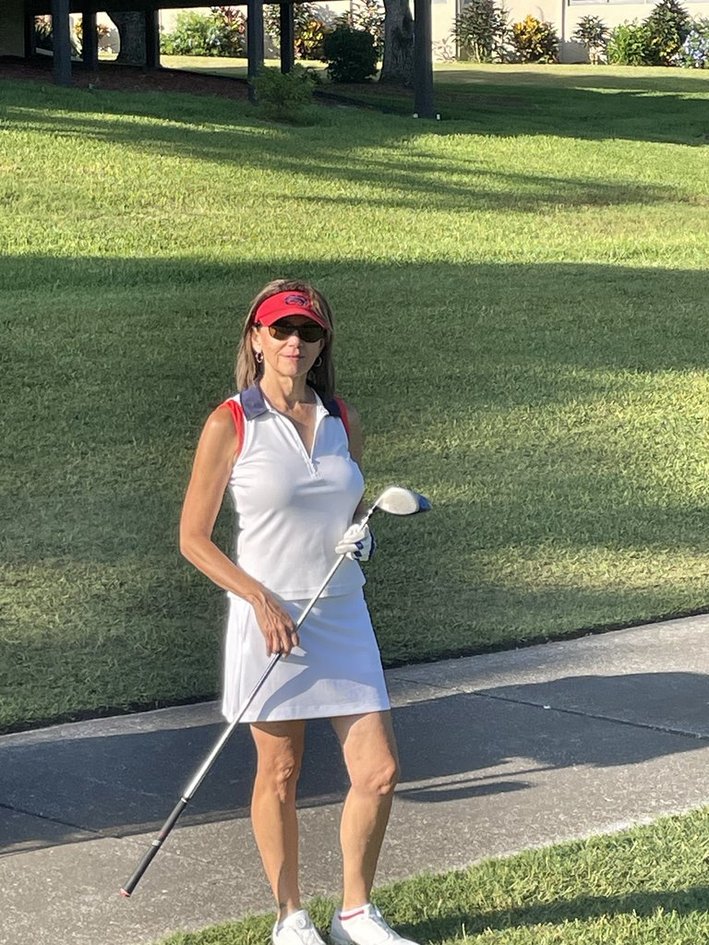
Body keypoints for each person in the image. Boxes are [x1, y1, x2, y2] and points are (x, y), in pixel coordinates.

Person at [179, 280, 418, 945]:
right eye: (279, 329)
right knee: (279, 773)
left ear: (322, 343)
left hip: (340, 611)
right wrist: (257, 598)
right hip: (269, 620)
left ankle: (355, 913)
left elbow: (342, 505)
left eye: (306, 332)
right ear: (255, 337)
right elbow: (192, 538)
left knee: (378, 770)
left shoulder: (341, 415)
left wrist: (359, 530)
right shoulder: (232, 421)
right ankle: (289, 917)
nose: (293, 342)